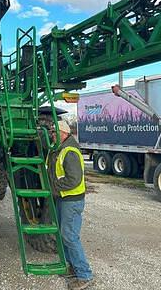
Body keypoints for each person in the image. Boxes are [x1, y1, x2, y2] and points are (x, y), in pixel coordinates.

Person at [46, 115, 93, 290]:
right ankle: (71, 267)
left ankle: (84, 275)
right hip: (63, 198)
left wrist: (54, 188)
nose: (52, 135)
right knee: (63, 234)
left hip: (71, 200)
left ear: (63, 133)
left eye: (54, 132)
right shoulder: (59, 148)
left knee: (70, 236)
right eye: (51, 132)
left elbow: (73, 179)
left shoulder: (69, 151)